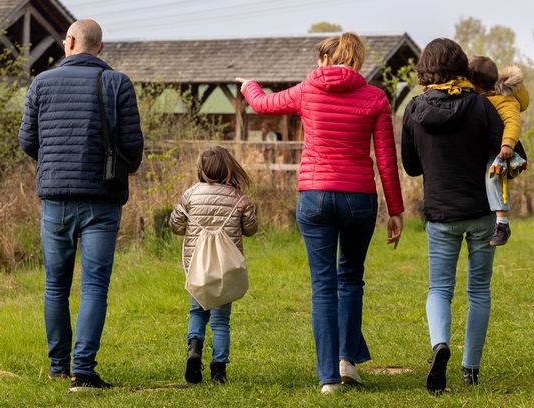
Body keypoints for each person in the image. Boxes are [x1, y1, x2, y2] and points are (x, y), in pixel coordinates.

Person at [236, 32, 404, 394]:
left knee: (323, 285)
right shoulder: (376, 97)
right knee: (351, 278)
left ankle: (328, 378)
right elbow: (387, 161)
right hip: (359, 197)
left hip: (314, 195)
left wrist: (249, 85)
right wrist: (396, 210)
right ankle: (348, 362)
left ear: (327, 59)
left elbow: (263, 104)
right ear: (357, 60)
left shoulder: (307, 90)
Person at [18, 19, 144, 391]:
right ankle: (82, 371)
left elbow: (27, 141)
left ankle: (58, 365)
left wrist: (55, 160)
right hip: (102, 200)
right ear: (100, 48)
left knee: (55, 285)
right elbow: (133, 145)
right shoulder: (117, 83)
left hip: (55, 198)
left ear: (68, 42)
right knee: (94, 286)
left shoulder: (41, 82)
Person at [401, 39, 504, 394]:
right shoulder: (481, 105)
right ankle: (471, 368)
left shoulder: (415, 109)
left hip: (441, 214)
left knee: (440, 288)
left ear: (424, 70)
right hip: (481, 213)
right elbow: (504, 153)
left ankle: (440, 344)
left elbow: (412, 167)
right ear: (461, 66)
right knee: (479, 290)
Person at [168, 146, 258, 386]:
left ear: (201, 170)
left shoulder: (190, 195)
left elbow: (175, 225)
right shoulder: (238, 198)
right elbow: (251, 228)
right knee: (220, 321)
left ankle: (194, 348)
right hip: (225, 271)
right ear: (229, 168)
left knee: (197, 311)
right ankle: (218, 370)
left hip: (196, 268)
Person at [467, 56, 530, 246]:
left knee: (492, 175)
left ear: (476, 84)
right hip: (487, 148)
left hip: (501, 152)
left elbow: (513, 122)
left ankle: (502, 223)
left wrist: (507, 145)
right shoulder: (480, 96)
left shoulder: (504, 99)